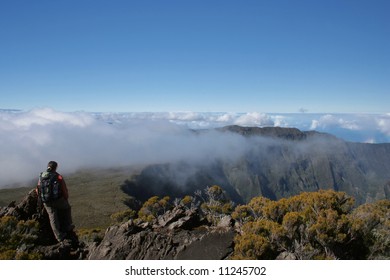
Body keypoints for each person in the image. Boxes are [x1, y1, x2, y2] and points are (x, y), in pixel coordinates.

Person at [36, 161, 74, 242]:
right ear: (56, 167)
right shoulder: (58, 176)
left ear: (48, 166)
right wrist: (65, 198)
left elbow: (37, 189)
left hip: (46, 201)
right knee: (67, 208)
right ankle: (68, 226)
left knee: (52, 217)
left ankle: (59, 237)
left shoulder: (41, 175)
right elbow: (64, 189)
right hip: (58, 200)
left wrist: (42, 198)